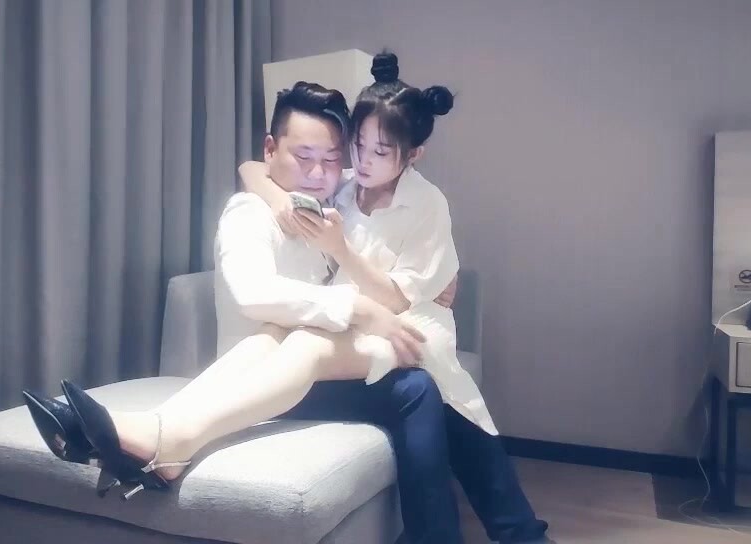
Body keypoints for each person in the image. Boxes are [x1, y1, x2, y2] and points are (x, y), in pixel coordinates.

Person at [28, 54, 546, 543]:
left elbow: (396, 288)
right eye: (353, 148)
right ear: (273, 148)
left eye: (346, 156)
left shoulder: (380, 196)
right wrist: (279, 201)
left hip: (369, 333)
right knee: (374, 371)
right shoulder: (281, 204)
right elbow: (252, 191)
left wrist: (409, 274)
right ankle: (165, 437)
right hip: (301, 353)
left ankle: (512, 533)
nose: (338, 168)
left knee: (427, 388)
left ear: (411, 156)